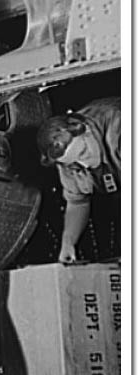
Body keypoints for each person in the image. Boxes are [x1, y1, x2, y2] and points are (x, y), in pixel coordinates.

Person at [36, 97, 120, 263]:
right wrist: (68, 243)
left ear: (86, 130)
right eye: (75, 163)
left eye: (83, 153)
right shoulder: (68, 160)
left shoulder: (121, 129)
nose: (85, 164)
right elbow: (78, 203)